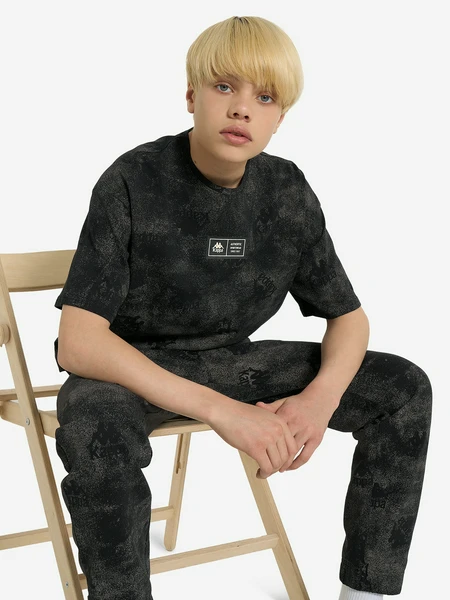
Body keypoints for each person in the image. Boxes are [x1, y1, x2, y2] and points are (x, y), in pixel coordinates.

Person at [53, 15, 432, 600]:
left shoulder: (285, 190)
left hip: (235, 361)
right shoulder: (133, 180)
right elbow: (79, 343)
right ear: (191, 96)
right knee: (93, 423)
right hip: (133, 371)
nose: (242, 109)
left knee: (403, 387)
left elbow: (348, 317)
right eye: (224, 86)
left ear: (281, 118)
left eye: (265, 97)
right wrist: (224, 412)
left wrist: (319, 400)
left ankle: (366, 594)